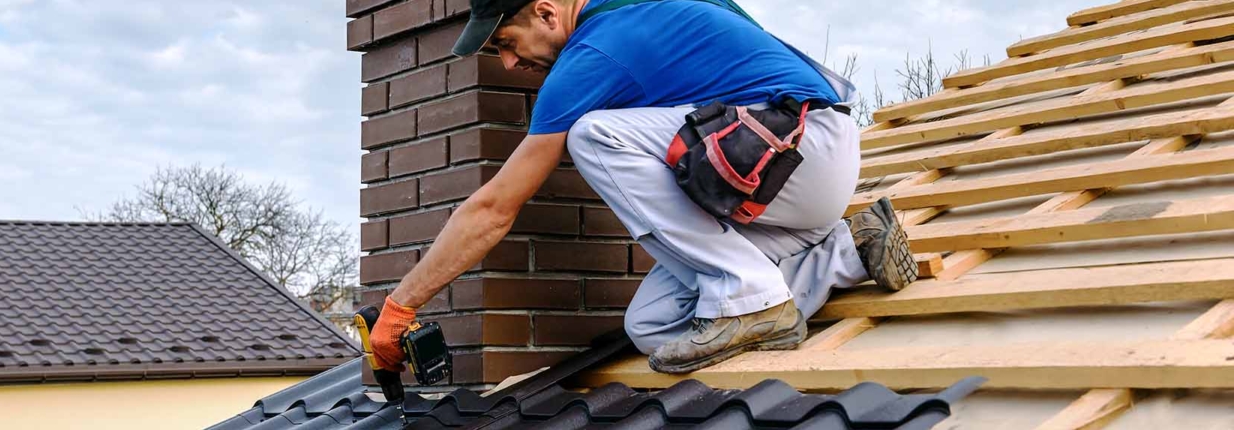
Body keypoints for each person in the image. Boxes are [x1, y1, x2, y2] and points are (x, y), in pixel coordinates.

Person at [368, 0, 917, 375]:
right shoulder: (647, 11)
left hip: (799, 145)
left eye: (507, 42)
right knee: (653, 327)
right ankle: (848, 250)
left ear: (545, 12)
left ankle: (751, 296)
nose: (509, 62)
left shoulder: (593, 53)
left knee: (593, 135)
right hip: (790, 182)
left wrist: (400, 306)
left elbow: (493, 208)